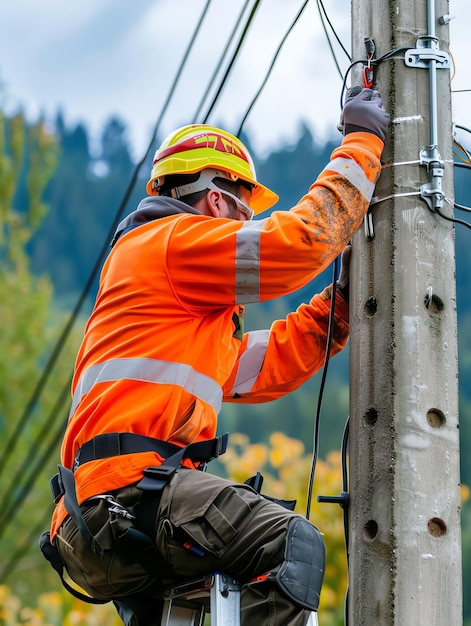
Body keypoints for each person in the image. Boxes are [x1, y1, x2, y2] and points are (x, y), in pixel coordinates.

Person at [42, 87, 389, 626]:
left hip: (103, 519)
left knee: (219, 586)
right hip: (131, 493)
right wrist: (363, 142)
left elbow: (259, 365)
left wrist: (338, 310)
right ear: (216, 200)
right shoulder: (173, 242)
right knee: (289, 543)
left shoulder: (161, 292)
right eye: (244, 209)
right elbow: (298, 244)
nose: (245, 222)